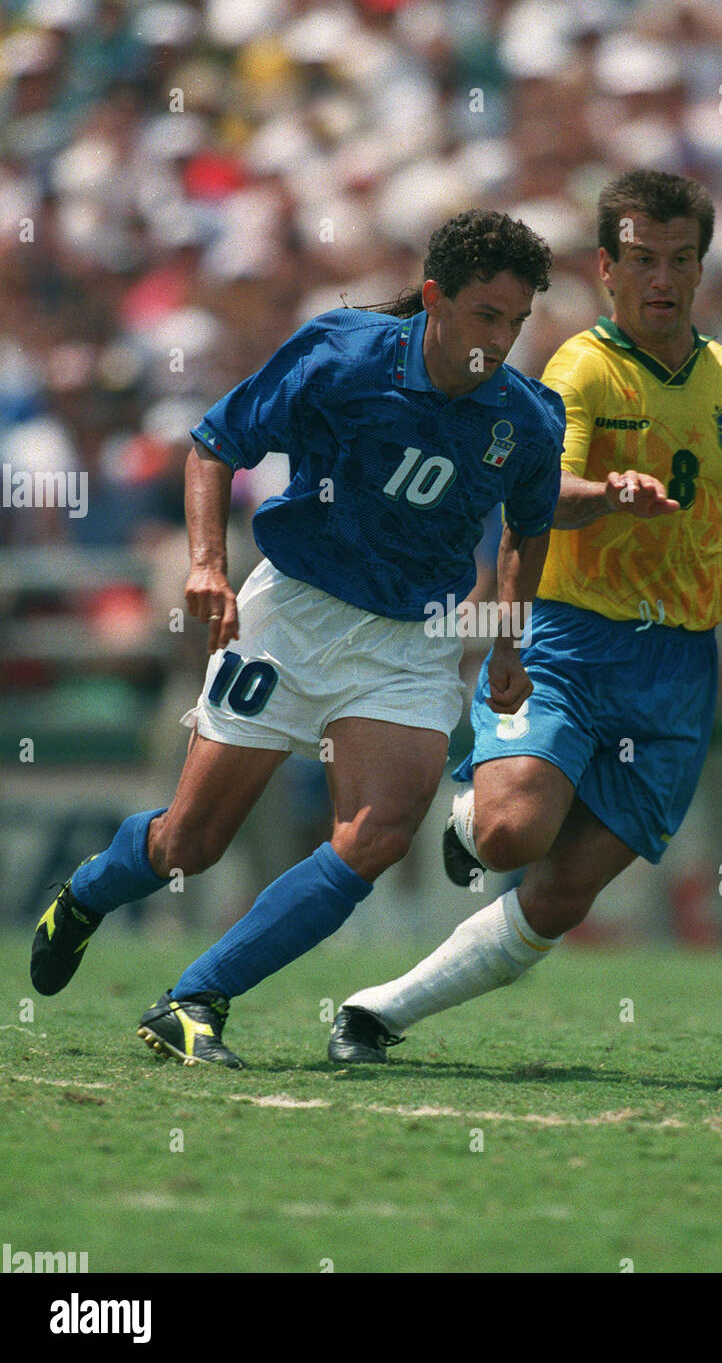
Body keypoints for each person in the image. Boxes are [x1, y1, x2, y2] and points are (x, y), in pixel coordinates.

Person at [30, 209, 565, 1068]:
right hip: (294, 614)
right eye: (484, 316)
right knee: (190, 846)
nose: (499, 341)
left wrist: (509, 638)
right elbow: (215, 443)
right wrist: (206, 563)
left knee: (378, 834)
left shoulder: (528, 420)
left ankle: (195, 998)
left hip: (412, 640)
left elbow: (530, 526)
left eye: (516, 322)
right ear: (434, 299)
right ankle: (87, 894)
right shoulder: (344, 356)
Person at [328, 169, 722, 1064]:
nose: (662, 277)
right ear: (607, 268)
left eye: (681, 260)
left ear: (701, 269)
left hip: (679, 669)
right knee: (513, 837)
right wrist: (609, 492)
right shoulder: (579, 367)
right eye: (643, 259)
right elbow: (542, 499)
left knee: (566, 896)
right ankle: (470, 821)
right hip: (573, 636)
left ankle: (377, 1012)